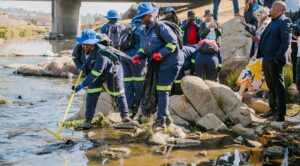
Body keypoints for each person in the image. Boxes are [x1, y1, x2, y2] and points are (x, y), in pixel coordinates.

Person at [131, 3, 183, 131]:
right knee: (158, 90)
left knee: (162, 90)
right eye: (140, 17)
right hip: (157, 63)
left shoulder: (161, 26)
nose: (140, 19)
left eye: (142, 17)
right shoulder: (143, 31)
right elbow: (144, 49)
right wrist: (139, 56)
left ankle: (161, 122)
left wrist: (161, 54)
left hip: (171, 62)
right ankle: (167, 119)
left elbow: (173, 43)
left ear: (150, 15)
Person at [72, 29, 131, 129]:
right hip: (94, 72)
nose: (85, 47)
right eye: (84, 44)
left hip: (111, 72)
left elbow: (96, 73)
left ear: (94, 43)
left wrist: (82, 85)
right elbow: (75, 57)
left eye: (89, 44)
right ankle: (88, 121)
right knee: (91, 94)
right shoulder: (78, 47)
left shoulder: (101, 52)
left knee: (117, 93)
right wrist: (79, 66)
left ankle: (125, 117)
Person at [257, 1, 292, 122]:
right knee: (270, 86)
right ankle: (272, 109)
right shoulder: (273, 21)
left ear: (279, 9)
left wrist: (277, 58)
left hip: (275, 60)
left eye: (272, 7)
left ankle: (281, 115)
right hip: (267, 58)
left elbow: (286, 42)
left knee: (278, 86)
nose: (270, 9)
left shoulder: (285, 21)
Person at [237, 7, 271, 98]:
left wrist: (252, 39)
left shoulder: (265, 24)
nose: (256, 17)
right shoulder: (264, 23)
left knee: (250, 70)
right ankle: (260, 92)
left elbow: (259, 38)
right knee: (260, 73)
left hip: (261, 54)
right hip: (261, 54)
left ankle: (241, 93)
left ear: (261, 15)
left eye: (257, 16)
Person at [120, 18, 145, 118]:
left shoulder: (127, 29)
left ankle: (129, 106)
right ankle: (138, 105)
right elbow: (146, 44)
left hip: (123, 57)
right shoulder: (142, 29)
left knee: (127, 81)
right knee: (138, 81)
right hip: (136, 58)